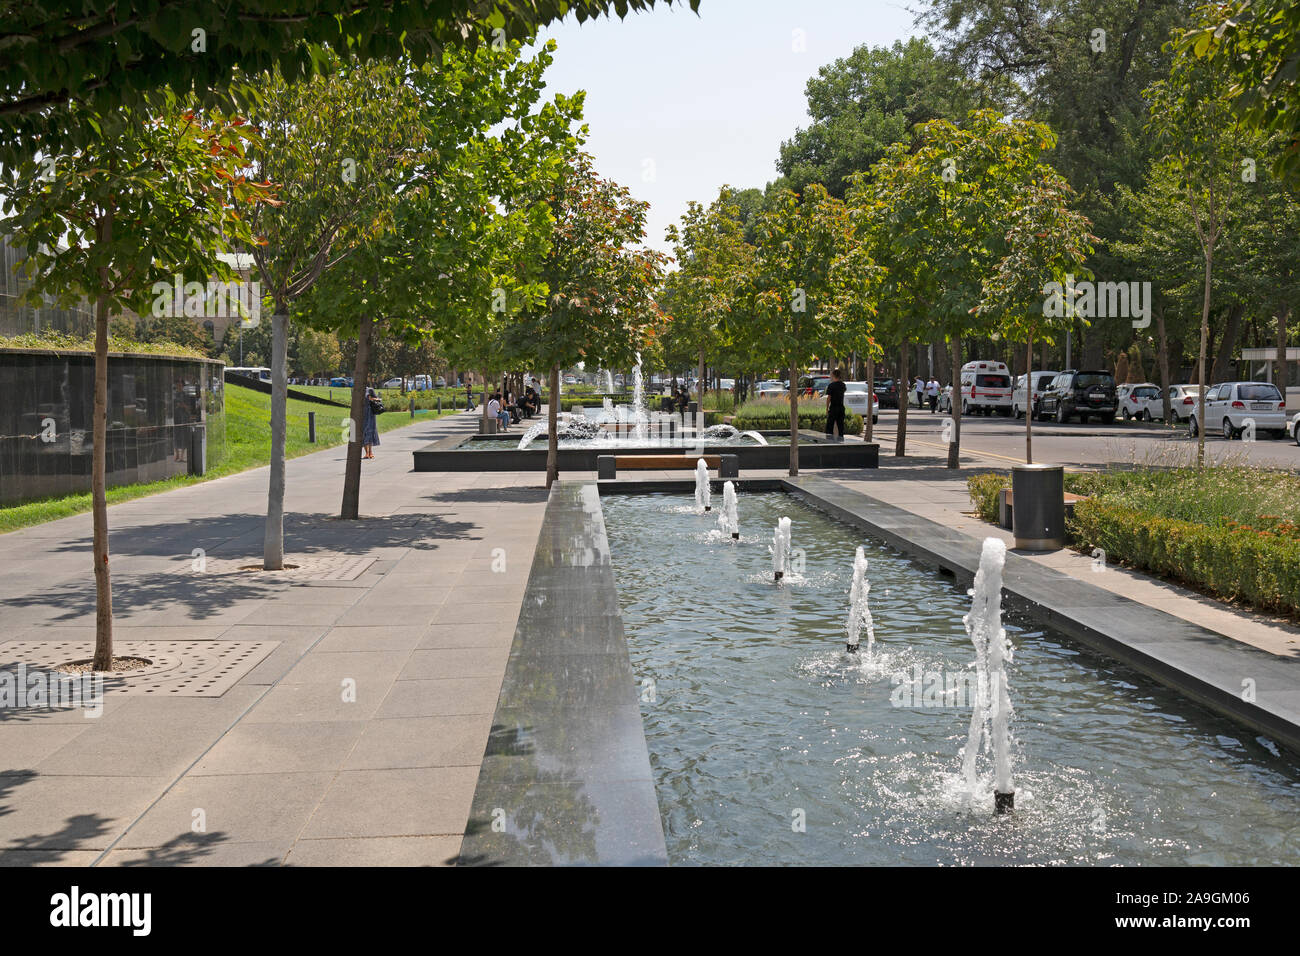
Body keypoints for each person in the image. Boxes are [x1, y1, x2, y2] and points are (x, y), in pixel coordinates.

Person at [824, 368, 847, 440]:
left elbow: (829, 398)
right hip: (841, 408)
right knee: (841, 426)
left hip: (833, 408)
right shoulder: (843, 385)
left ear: (834, 376)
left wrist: (827, 408)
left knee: (829, 426)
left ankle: (829, 441)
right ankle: (841, 440)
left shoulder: (831, 386)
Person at [362, 386, 382, 459]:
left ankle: (370, 452)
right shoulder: (356, 390)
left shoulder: (370, 390)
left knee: (370, 431)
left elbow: (378, 400)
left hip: (370, 414)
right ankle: (366, 453)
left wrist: (371, 399)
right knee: (363, 432)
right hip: (361, 414)